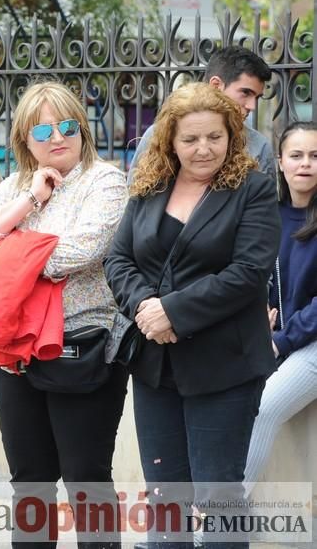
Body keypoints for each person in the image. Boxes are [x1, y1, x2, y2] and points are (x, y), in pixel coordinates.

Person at [105, 83, 280, 548]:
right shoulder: (149, 186)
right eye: (190, 139)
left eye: (214, 137)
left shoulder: (255, 188)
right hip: (155, 366)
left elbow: (248, 272)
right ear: (170, 141)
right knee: (165, 497)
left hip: (224, 365)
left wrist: (173, 313)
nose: (204, 149)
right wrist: (146, 308)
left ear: (231, 136)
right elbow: (118, 260)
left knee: (218, 495)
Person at [0, 81, 129, 547]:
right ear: (23, 140)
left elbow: (83, 250)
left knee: (85, 477)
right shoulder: (15, 184)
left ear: (83, 129)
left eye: (68, 126)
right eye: (43, 131)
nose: (58, 138)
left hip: (83, 346)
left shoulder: (105, 181)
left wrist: (8, 251)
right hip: (16, 351)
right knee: (29, 481)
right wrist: (31, 200)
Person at [244, 121, 317, 491]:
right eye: (297, 155)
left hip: (309, 343)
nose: (306, 164)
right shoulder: (265, 215)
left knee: (262, 408)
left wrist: (281, 339)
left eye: (315, 156)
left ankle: (215, 523)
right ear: (280, 162)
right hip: (271, 337)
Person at [129, 45, 274, 178]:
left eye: (257, 97)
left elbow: (266, 204)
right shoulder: (159, 135)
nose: (252, 106)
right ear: (216, 85)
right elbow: (134, 196)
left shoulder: (259, 147)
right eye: (245, 93)